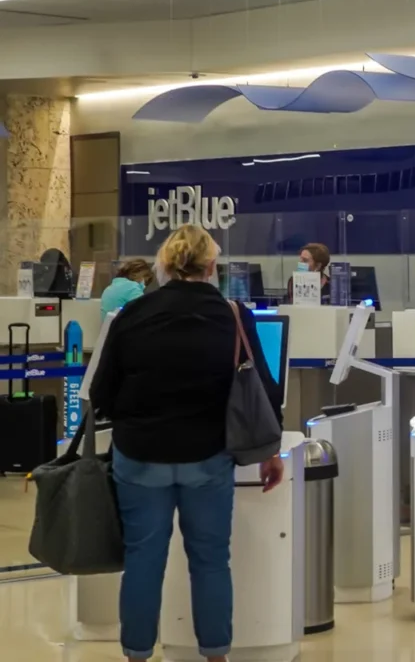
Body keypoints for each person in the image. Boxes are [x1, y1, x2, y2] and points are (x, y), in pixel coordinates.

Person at [90, 224, 285, 662]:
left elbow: (102, 393)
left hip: (140, 457)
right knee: (211, 560)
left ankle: (137, 654)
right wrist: (269, 453)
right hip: (209, 456)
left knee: (143, 558)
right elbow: (263, 391)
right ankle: (215, 655)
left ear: (164, 264)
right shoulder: (233, 315)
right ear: (211, 266)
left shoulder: (130, 316)